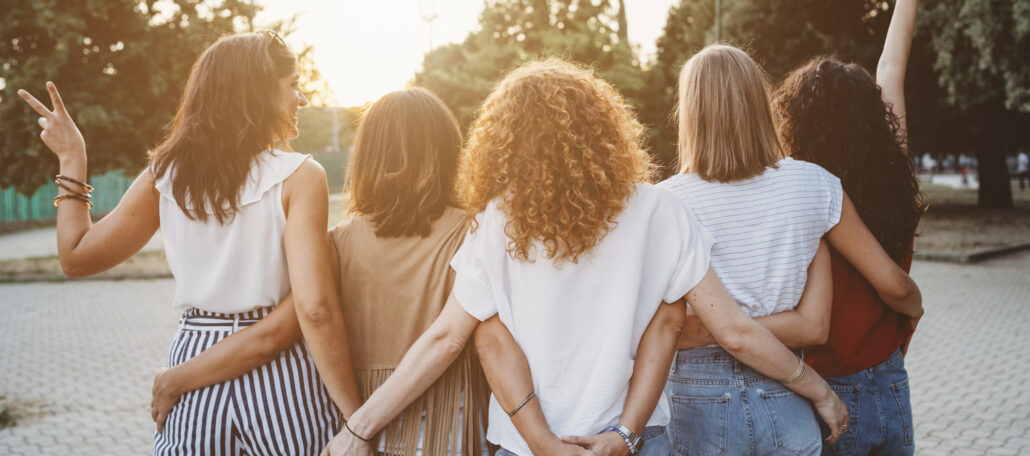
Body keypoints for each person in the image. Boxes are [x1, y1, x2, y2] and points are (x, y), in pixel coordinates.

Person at [322, 59, 847, 456]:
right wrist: (818, 391)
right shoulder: (659, 210)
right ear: (604, 126)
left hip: (526, 446)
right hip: (637, 440)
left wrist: (358, 428)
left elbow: (458, 339)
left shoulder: (494, 221)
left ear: (504, 140)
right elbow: (730, 330)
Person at [18, 31, 361, 455]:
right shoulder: (301, 176)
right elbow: (316, 310)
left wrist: (73, 159)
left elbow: (77, 257)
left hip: (194, 366)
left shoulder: (165, 175)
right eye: (292, 85)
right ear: (255, 93)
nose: (302, 98)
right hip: (282, 374)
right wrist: (357, 417)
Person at [662, 44, 922, 456]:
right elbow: (814, 326)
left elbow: (665, 331)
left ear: (689, 111)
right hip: (788, 394)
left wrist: (709, 331)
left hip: (700, 399)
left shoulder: (662, 204)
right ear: (758, 102)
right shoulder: (814, 186)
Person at [773, 0, 927, 454]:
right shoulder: (893, 170)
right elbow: (892, 64)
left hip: (828, 388)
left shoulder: (802, 192)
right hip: (891, 376)